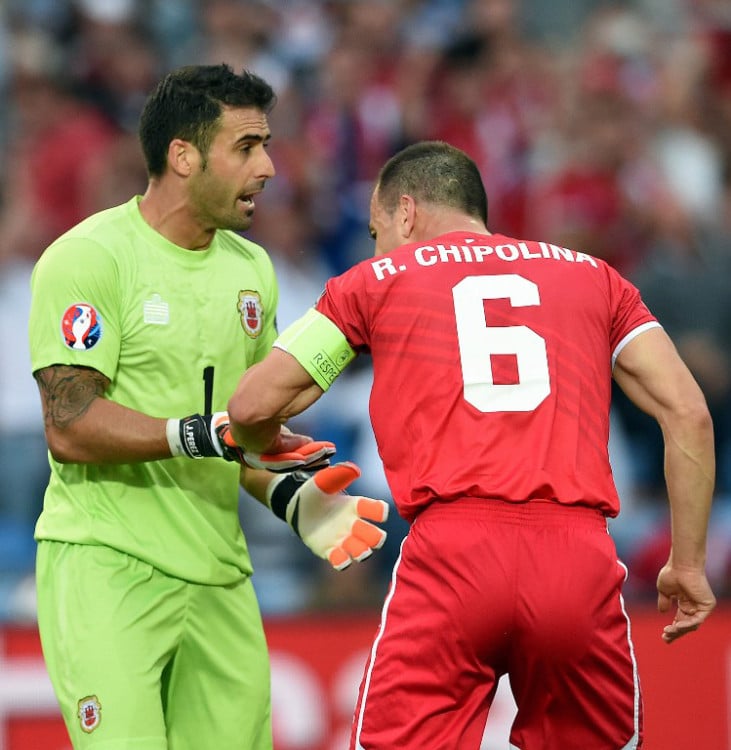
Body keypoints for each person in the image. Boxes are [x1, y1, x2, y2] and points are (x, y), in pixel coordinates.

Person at [226, 140, 717, 749]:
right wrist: (688, 564)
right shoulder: (596, 277)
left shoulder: (372, 281)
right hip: (577, 558)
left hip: (453, 558)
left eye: (378, 230)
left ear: (404, 213)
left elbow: (250, 405)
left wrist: (264, 443)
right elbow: (689, 413)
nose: (379, 246)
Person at [27, 63, 388, 750]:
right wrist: (198, 433)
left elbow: (243, 434)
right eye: (247, 146)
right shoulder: (88, 259)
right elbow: (69, 426)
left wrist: (295, 500)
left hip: (220, 576)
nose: (270, 167)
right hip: (107, 566)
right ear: (183, 156)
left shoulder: (250, 270)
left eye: (267, 144)